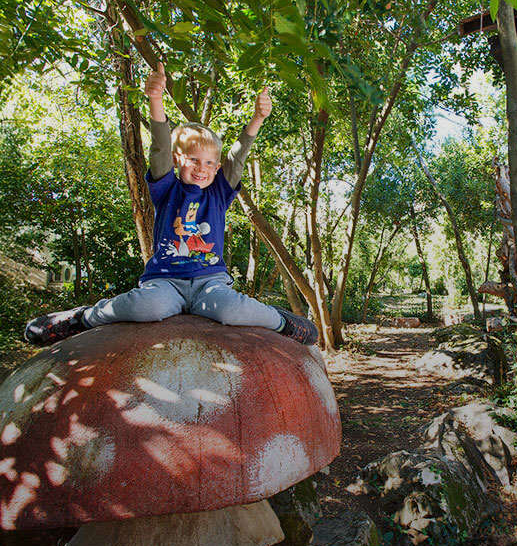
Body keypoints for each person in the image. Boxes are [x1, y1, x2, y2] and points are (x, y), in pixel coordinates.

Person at [25, 63, 317, 347]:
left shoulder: (218, 193)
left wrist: (257, 119)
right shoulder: (167, 188)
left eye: (209, 163)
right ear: (179, 160)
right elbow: (160, 148)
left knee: (232, 311)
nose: (201, 168)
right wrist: (156, 100)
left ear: (217, 168)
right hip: (166, 281)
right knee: (147, 308)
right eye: (193, 160)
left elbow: (237, 158)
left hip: (209, 283)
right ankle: (81, 318)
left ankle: (282, 322)